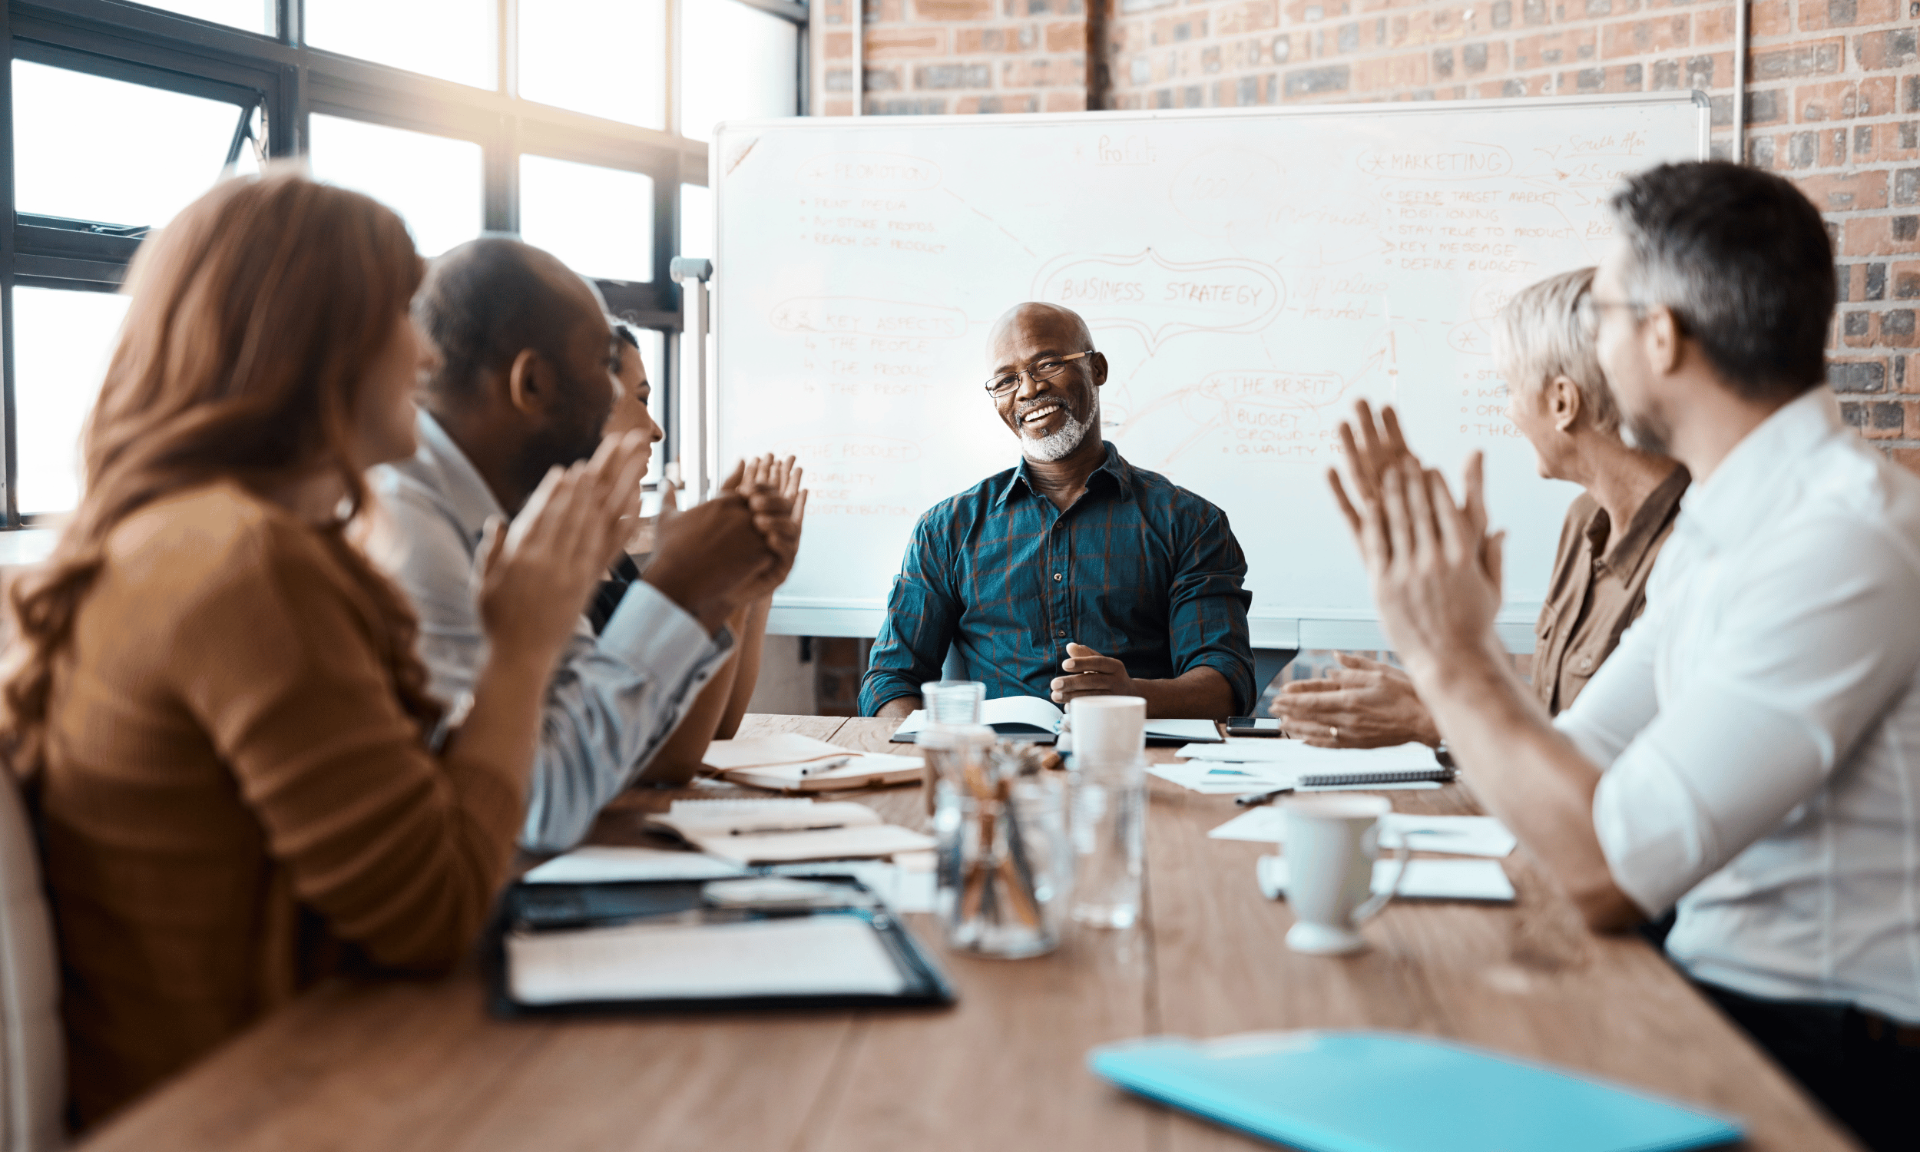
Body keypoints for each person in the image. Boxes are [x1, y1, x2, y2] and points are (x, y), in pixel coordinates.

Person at [0, 171, 697, 1125]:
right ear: (312, 347)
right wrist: (520, 644)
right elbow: (435, 910)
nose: (421, 352)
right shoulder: (247, 564)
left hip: (288, 1072)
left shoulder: (183, 538)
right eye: (393, 319)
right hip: (264, 1104)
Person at [1328, 161, 1919, 1151]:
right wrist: (1446, 648)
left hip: (1821, 1066)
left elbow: (1605, 867)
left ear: (1661, 336)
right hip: (1710, 998)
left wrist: (1451, 652)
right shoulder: (1729, 526)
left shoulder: (1842, 538)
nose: (1592, 352)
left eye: (1601, 314)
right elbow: (1576, 765)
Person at [368, 240, 800, 852]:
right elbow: (541, 803)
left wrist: (707, 592)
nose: (617, 402)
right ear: (534, 383)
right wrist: (676, 589)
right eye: (602, 367)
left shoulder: (517, 514)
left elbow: (597, 749)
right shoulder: (406, 527)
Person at [1273, 268, 1687, 747]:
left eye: (1509, 388)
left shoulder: (1693, 548)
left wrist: (1436, 717)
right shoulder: (1582, 522)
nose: (1509, 410)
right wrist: (1441, 693)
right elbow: (1564, 718)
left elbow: (1611, 760)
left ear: (1561, 402)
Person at [859, 301, 1255, 720]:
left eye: (1047, 364)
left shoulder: (1189, 522)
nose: (1029, 390)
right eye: (1007, 380)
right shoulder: (947, 530)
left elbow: (1227, 683)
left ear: (1097, 369)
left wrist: (1131, 695)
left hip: (1136, 762)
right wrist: (934, 755)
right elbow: (889, 679)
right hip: (998, 770)